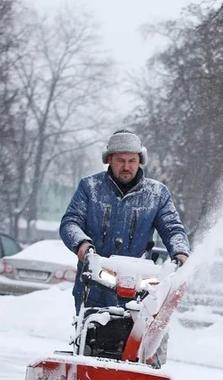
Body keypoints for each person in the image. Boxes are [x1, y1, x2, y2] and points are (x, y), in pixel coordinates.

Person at [60, 130, 190, 311]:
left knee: (141, 335)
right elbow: (71, 222)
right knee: (93, 334)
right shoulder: (90, 188)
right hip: (95, 282)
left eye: (132, 161)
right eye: (121, 160)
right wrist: (82, 245)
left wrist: (180, 252)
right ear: (109, 160)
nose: (126, 166)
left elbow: (173, 228)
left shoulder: (157, 194)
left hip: (140, 286)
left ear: (139, 161)